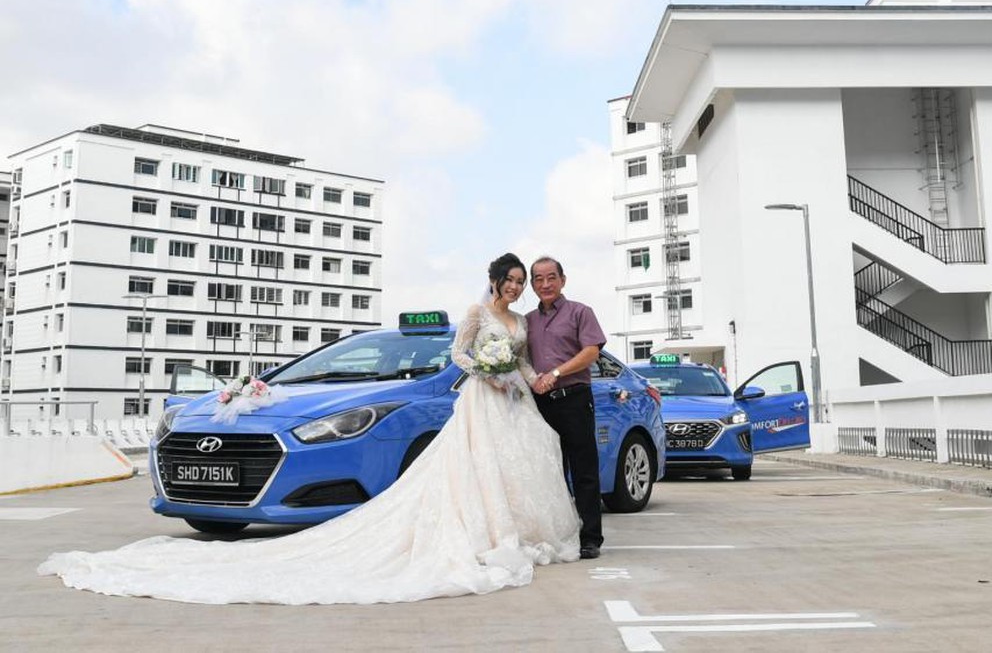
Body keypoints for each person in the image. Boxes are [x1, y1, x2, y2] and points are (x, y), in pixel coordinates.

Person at [37, 253, 580, 605]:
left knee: (512, 471)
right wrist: (484, 371)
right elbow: (464, 354)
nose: (516, 288)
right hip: (482, 396)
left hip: (508, 402)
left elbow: (523, 361)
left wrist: (530, 379)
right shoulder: (477, 312)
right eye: (511, 281)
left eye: (520, 282)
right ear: (494, 281)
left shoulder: (520, 322)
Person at [527, 256, 606, 560]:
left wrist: (557, 373)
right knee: (549, 471)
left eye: (551, 277)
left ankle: (590, 539)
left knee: (583, 470)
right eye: (538, 279)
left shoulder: (580, 312)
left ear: (562, 280)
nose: (545, 284)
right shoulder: (528, 321)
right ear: (532, 284)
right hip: (540, 404)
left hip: (573, 398)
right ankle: (557, 534)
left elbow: (591, 352)